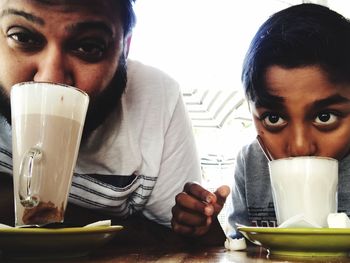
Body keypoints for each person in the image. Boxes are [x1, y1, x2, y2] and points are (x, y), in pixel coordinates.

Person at [0, 0, 226, 244]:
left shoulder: (157, 100)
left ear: (125, 49)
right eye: (22, 37)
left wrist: (199, 220)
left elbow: (182, 239)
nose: (50, 78)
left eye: (89, 47)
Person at [228, 3, 350, 239]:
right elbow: (238, 245)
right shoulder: (251, 162)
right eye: (273, 118)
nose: (300, 147)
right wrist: (205, 234)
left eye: (325, 117)